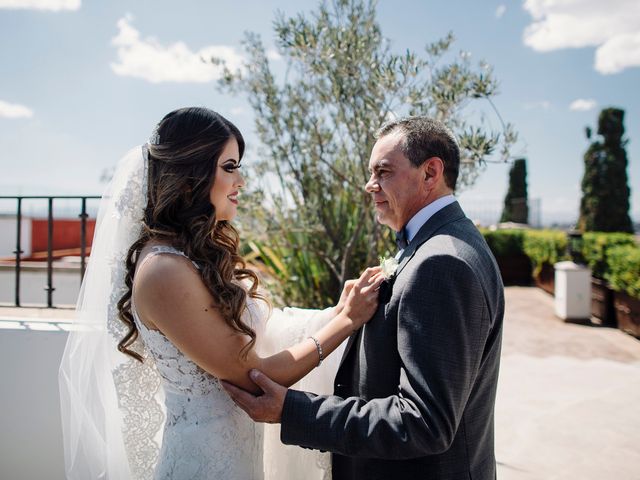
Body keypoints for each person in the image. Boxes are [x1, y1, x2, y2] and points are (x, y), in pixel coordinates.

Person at [58, 107, 383, 480]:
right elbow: (253, 375)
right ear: (189, 176)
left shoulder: (193, 257)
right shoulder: (164, 272)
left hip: (238, 459)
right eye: (229, 167)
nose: (240, 180)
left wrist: (333, 312)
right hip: (202, 466)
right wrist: (346, 320)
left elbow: (257, 336)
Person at [223, 116, 505, 480]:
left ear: (430, 173)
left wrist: (292, 410)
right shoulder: (443, 243)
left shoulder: (441, 261)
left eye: (383, 172)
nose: (369, 185)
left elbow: (424, 422)